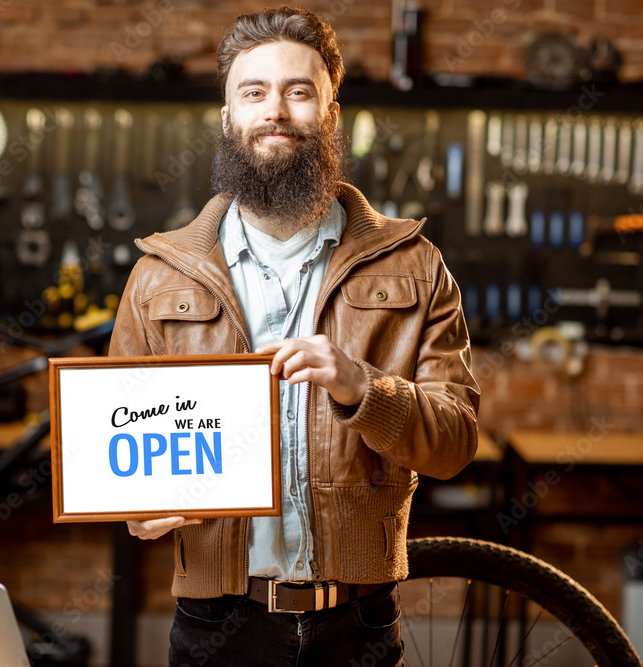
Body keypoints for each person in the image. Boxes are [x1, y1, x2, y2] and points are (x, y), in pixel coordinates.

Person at [108, 6, 481, 666]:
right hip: (215, 626)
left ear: (331, 114)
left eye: (299, 91)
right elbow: (123, 459)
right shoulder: (156, 277)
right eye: (253, 92)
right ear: (228, 117)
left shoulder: (414, 265)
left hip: (358, 624)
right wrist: (139, 510)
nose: (274, 109)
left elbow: (453, 443)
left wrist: (362, 386)